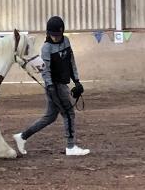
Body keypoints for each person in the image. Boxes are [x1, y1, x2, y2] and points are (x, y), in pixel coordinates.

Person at [14, 16, 90, 156]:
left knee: (50, 117)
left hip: (63, 83)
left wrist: (77, 81)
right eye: (53, 35)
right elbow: (46, 70)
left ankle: (22, 136)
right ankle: (71, 146)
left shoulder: (66, 41)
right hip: (55, 86)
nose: (55, 38)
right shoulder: (46, 48)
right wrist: (50, 88)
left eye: (58, 35)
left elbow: (70, 62)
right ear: (49, 34)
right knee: (68, 113)